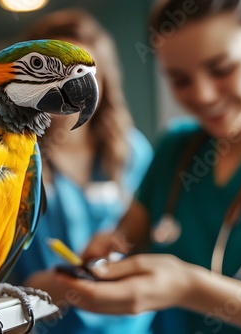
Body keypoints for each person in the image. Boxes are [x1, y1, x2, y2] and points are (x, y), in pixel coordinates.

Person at [52, 0, 241, 333]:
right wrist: (105, 252)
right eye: (180, 80)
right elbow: (125, 239)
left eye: (222, 69)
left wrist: (189, 287)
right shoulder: (175, 149)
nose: (204, 95)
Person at [9, 8, 155, 334]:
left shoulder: (133, 152)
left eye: (87, 71)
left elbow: (151, 237)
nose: (72, 83)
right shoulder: (12, 159)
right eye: (54, 70)